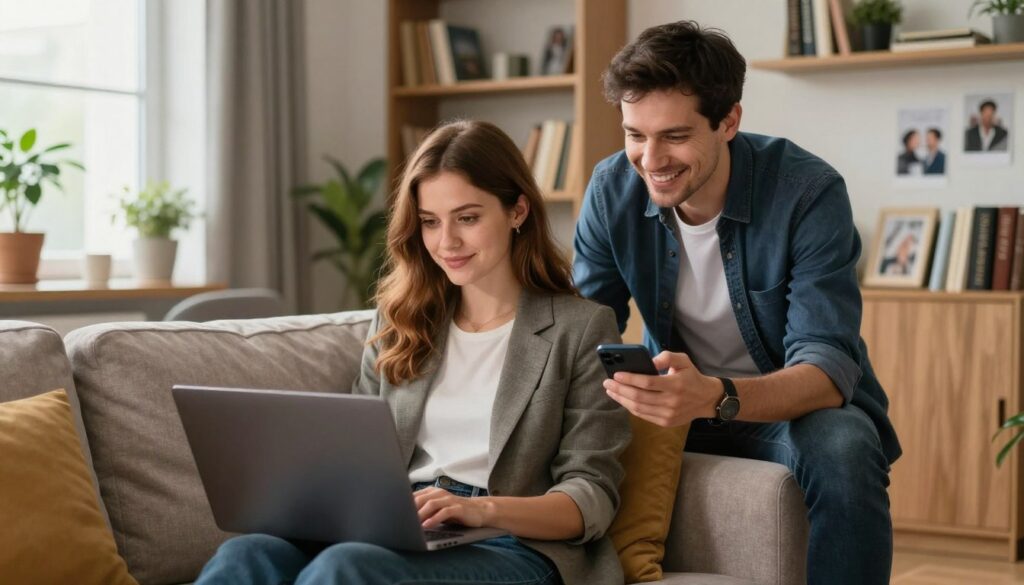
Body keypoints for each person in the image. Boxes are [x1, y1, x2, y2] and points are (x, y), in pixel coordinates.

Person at [196, 120, 630, 585]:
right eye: (429, 222)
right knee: (246, 555)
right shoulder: (400, 321)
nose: (447, 243)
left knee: (346, 569)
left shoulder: (580, 328)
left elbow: (592, 495)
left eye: (467, 218)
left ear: (517, 211)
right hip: (400, 525)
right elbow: (352, 455)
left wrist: (477, 508)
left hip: (512, 542)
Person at [572, 20, 901, 585]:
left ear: (729, 122)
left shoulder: (808, 192)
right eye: (634, 134)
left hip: (786, 413)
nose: (650, 159)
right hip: (675, 408)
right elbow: (580, 328)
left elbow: (826, 368)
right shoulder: (611, 190)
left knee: (845, 446)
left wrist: (714, 395)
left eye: (674, 136)